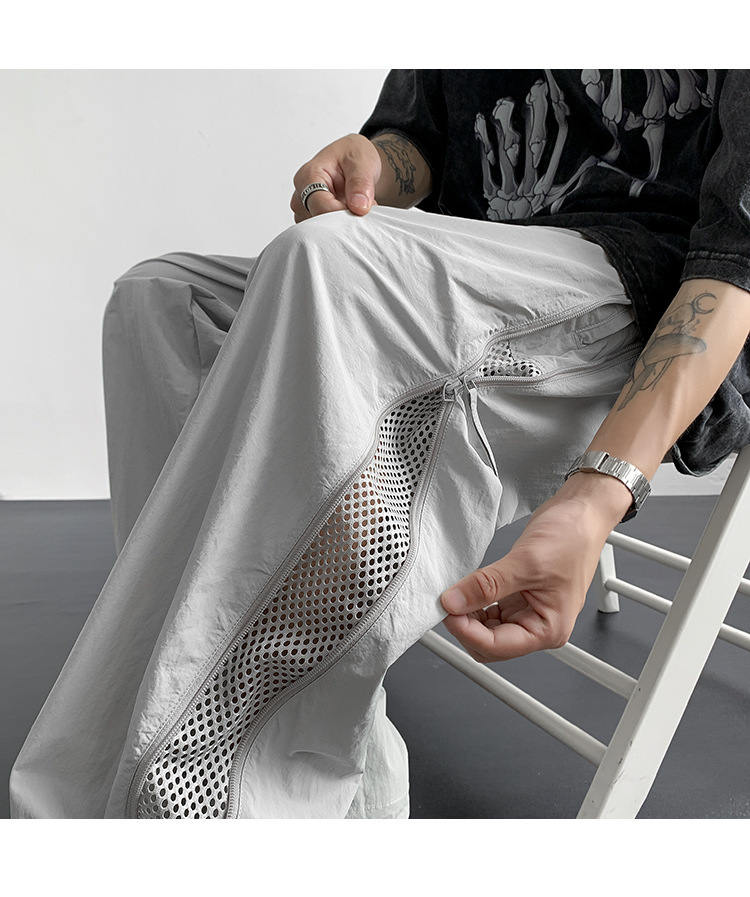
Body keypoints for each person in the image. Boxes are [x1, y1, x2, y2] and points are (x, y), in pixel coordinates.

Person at [10, 70, 750, 819]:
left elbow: (737, 265)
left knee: (323, 262)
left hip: (651, 290)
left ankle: (204, 802)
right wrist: (374, 161)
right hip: (486, 259)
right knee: (162, 300)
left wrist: (594, 501)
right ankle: (293, 757)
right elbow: (418, 139)